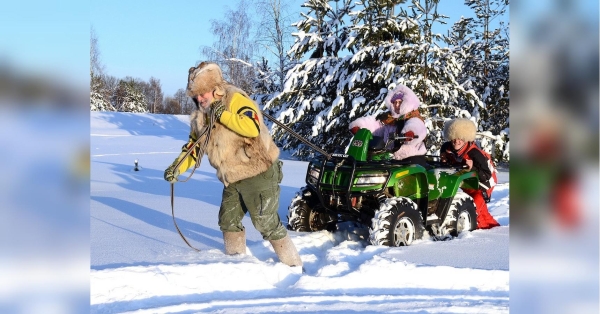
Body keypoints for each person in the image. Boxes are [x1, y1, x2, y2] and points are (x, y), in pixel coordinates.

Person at [163, 61, 302, 267]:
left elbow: (252, 127)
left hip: (258, 172)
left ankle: (294, 266)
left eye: (204, 93)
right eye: (196, 95)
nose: (200, 99)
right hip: (232, 177)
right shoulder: (200, 116)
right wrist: (177, 167)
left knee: (266, 222)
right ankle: (237, 266)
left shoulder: (235, 99)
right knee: (227, 221)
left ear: (215, 89)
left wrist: (223, 115)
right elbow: (195, 146)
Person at [440, 118, 500, 229]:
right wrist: (443, 162)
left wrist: (473, 167)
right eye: (454, 137)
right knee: (480, 213)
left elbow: (486, 175)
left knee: (474, 209)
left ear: (466, 138)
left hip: (483, 184)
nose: (457, 141)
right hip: (466, 184)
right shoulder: (445, 148)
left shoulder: (474, 153)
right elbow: (446, 167)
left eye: (461, 138)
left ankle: (485, 232)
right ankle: (493, 229)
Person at [348, 84, 428, 167]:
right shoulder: (388, 119)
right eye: (394, 102)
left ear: (407, 102)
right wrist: (359, 127)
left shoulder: (413, 116)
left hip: (412, 157)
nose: (397, 105)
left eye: (400, 102)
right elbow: (376, 125)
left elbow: (417, 125)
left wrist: (410, 132)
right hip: (390, 158)